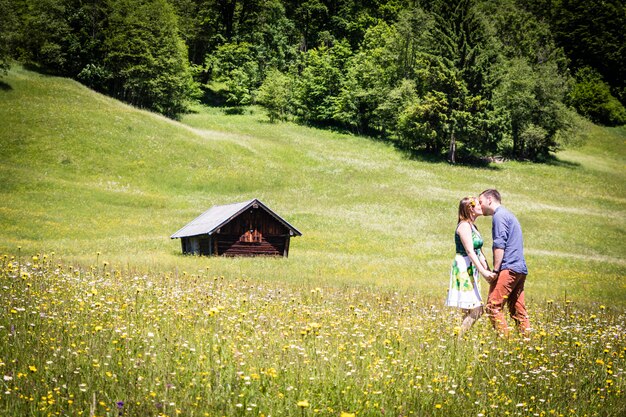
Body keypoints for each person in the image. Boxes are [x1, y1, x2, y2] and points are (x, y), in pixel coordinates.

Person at [478, 189, 530, 336]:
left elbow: (499, 245)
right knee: (517, 308)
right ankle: (527, 341)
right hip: (520, 268)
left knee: (492, 306)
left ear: (490, 200)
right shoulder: (509, 215)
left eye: (481, 202)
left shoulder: (499, 216)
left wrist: (495, 271)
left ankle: (505, 343)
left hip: (509, 267)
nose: (480, 206)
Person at [445, 196, 495, 337]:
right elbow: (470, 251)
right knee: (477, 309)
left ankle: (459, 340)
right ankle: (458, 338)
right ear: (470, 209)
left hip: (472, 267)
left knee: (469, 310)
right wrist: (483, 272)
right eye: (478, 204)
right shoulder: (464, 226)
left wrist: (487, 269)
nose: (481, 205)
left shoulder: (473, 226)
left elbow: (479, 251)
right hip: (464, 267)